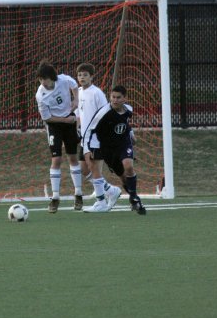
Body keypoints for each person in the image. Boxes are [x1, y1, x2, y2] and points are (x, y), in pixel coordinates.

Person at [82, 84, 146, 214]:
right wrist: (86, 150)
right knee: (123, 176)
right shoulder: (103, 113)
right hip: (107, 149)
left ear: (125, 99)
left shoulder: (129, 109)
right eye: (113, 97)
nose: (115, 100)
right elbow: (89, 130)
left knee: (128, 166)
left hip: (123, 144)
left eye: (118, 97)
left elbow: (125, 123)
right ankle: (132, 197)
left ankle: (135, 199)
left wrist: (131, 134)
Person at [35, 61, 83, 213]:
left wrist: (76, 99)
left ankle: (78, 194)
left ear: (53, 78)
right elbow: (47, 118)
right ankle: (55, 198)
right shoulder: (40, 95)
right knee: (56, 159)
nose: (43, 82)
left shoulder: (63, 80)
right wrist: (65, 120)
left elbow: (74, 84)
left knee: (73, 158)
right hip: (55, 124)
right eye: (40, 79)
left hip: (69, 122)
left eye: (46, 79)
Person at [76, 63, 121, 210]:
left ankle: (101, 202)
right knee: (83, 169)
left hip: (96, 138)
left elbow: (106, 114)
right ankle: (111, 190)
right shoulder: (79, 92)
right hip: (85, 138)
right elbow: (79, 114)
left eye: (85, 75)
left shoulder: (97, 93)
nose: (82, 78)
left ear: (91, 76)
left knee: (95, 168)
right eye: (80, 75)